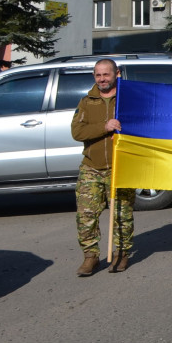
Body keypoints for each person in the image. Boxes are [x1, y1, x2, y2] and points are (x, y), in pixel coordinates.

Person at [71, 58, 136, 276]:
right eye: (98, 75)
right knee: (85, 215)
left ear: (116, 74)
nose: (102, 79)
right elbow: (77, 132)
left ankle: (121, 254)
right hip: (92, 168)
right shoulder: (87, 102)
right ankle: (90, 257)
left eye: (106, 75)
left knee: (121, 215)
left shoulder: (128, 98)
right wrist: (105, 127)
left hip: (121, 167)